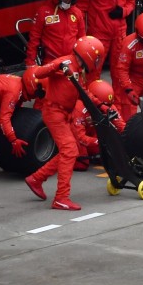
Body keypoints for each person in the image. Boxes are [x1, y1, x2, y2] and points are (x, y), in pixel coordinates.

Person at [25, 36, 105, 211]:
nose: (98, 62)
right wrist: (57, 66)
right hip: (54, 113)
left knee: (70, 152)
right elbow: (37, 73)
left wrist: (100, 105)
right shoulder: (64, 63)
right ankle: (61, 197)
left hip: (63, 114)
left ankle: (37, 179)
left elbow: (82, 91)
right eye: (97, 58)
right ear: (90, 55)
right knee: (69, 150)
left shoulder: (78, 69)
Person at [25, 0, 86, 66]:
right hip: (50, 62)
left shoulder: (77, 13)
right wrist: (30, 62)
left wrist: (83, 59)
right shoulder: (43, 12)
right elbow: (34, 39)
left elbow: (82, 39)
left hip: (72, 61)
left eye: (70, 0)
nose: (68, 2)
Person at [71, 79, 126, 172]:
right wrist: (100, 141)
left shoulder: (108, 106)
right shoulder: (79, 108)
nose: (107, 107)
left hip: (93, 136)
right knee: (82, 164)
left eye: (109, 104)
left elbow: (122, 126)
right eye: (104, 104)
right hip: (76, 138)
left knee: (106, 158)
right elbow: (79, 137)